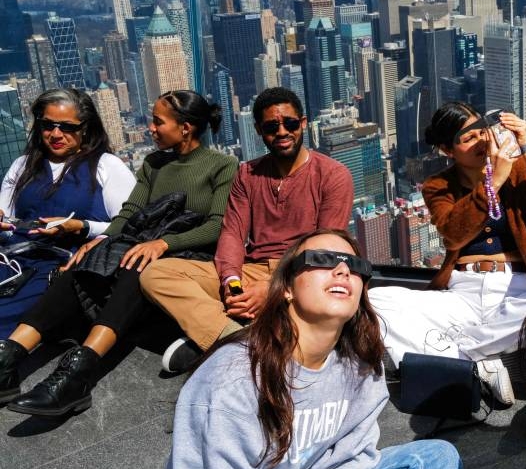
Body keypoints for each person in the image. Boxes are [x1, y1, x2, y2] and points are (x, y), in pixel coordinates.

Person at [159, 228, 462, 469]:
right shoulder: (234, 381)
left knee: (435, 460)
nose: (343, 270)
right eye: (322, 259)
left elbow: (351, 457)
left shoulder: (361, 366)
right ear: (287, 287)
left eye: (355, 266)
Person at [0, 90, 236, 417]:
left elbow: (217, 225)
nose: (150, 128)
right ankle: (9, 358)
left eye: (157, 122)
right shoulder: (154, 163)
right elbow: (129, 213)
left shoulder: (222, 166)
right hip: (148, 246)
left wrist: (164, 245)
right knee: (82, 261)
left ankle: (77, 374)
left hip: (190, 256)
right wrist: (99, 239)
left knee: (137, 266)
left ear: (186, 128)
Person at [141, 87, 354, 373]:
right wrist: (233, 283)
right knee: (156, 274)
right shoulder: (247, 174)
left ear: (303, 124)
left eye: (289, 123)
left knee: (315, 301)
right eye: (271, 126)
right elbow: (232, 232)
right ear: (258, 130)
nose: (282, 132)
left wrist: (271, 287)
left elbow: (325, 248)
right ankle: (237, 339)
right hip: (251, 270)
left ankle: (218, 331)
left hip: (304, 273)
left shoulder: (332, 175)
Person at [368, 101, 526, 405]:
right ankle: (483, 358)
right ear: (449, 150)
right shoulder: (438, 186)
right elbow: (453, 233)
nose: (481, 141)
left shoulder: (514, 170)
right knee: (376, 301)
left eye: (480, 131)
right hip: (463, 290)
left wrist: (525, 145)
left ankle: (459, 358)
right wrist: (492, 182)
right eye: (467, 138)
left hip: (516, 289)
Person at [0, 88, 136, 337]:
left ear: (85, 128)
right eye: (48, 125)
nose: (56, 134)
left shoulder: (106, 166)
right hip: (13, 259)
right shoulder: (23, 165)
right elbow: (5, 216)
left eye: (67, 127)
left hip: (61, 268)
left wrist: (83, 227)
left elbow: (130, 227)